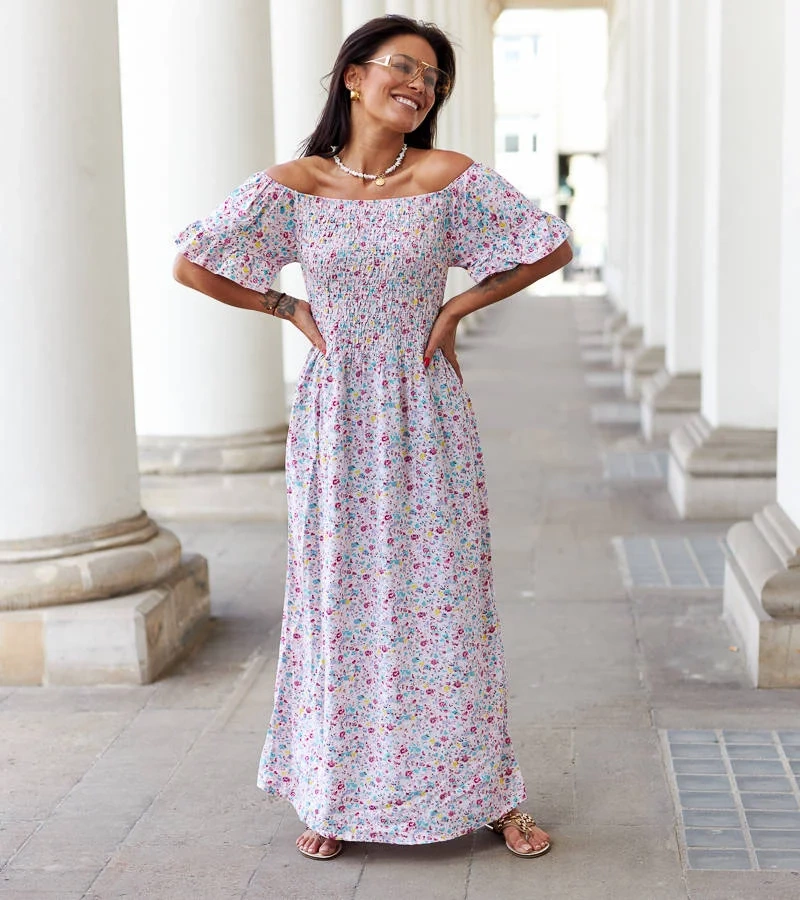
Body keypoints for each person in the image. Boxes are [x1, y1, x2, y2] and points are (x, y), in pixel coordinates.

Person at [174, 14, 571, 862]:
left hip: (426, 413)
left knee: (447, 604)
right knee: (338, 604)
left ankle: (493, 796)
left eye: (433, 79)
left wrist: (458, 306)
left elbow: (550, 244)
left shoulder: (449, 177)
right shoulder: (294, 186)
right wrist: (283, 305)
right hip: (335, 416)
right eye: (405, 67)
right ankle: (333, 789)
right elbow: (195, 261)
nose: (420, 86)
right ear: (352, 77)